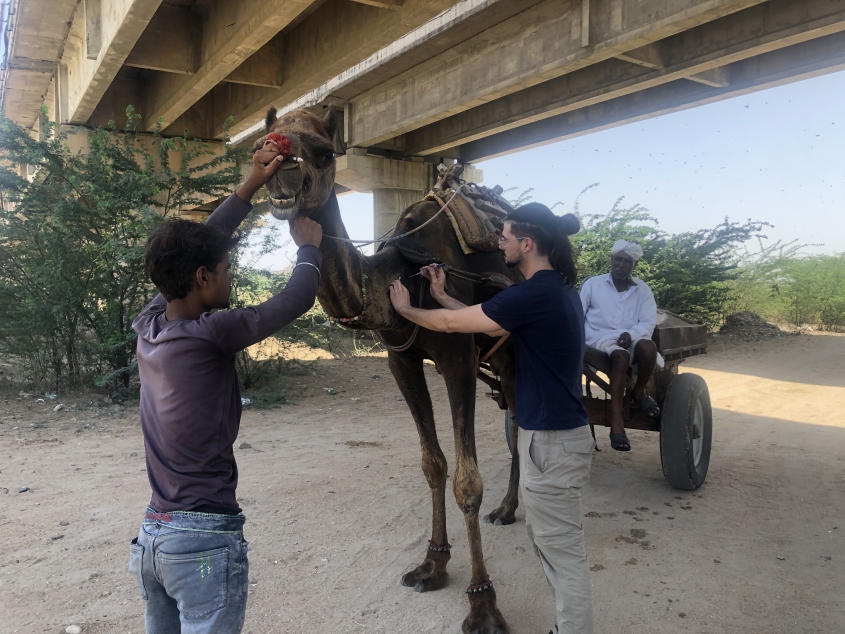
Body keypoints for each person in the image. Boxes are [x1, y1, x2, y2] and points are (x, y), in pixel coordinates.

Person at [127, 142, 323, 634]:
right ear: (202, 276)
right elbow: (295, 299)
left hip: (155, 537)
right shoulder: (211, 333)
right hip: (203, 545)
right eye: (225, 269)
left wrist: (251, 185)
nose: (230, 274)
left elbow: (200, 246)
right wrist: (308, 247)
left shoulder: (150, 324)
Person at [388, 203, 595, 634]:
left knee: (562, 551)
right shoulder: (557, 293)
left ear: (527, 243)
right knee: (551, 543)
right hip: (558, 438)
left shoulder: (534, 294)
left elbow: (448, 325)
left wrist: (409, 311)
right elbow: (491, 325)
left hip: (552, 444)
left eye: (504, 238)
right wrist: (443, 294)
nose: (499, 244)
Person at [579, 240, 663, 452]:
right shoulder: (593, 284)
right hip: (598, 338)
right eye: (618, 259)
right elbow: (578, 315)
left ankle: (640, 391)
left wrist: (632, 333)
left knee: (649, 348)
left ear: (633, 265)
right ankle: (617, 422)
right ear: (612, 259)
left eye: (627, 261)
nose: (622, 265)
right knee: (621, 357)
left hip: (630, 336)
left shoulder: (642, 290)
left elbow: (647, 322)